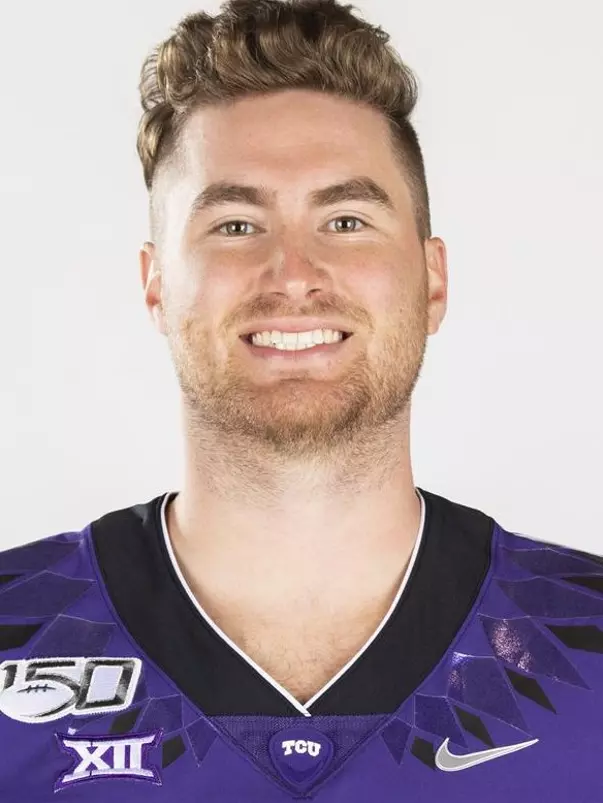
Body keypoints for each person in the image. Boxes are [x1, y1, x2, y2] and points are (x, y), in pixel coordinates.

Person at [0, 0, 601, 800]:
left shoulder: (584, 641)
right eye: (236, 224)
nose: (292, 274)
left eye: (345, 219)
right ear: (154, 285)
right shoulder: (15, 636)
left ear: (432, 280)